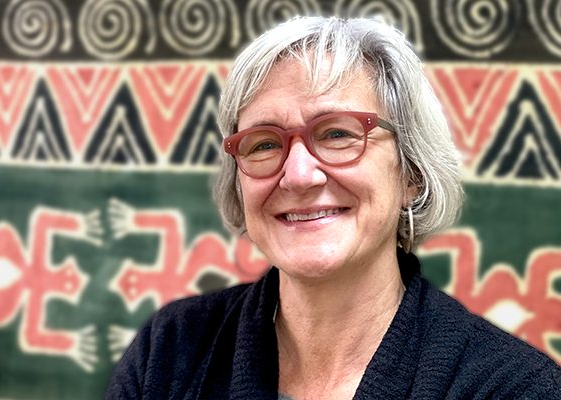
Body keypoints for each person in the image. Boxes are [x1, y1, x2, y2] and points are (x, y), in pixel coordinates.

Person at [104, 16, 561, 399]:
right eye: (264, 143)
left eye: (338, 133)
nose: (299, 174)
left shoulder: (514, 388)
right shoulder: (169, 353)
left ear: (411, 173)